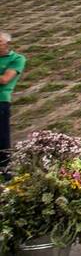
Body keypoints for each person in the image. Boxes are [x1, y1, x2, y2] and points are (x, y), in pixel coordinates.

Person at [0, 32, 27, 173]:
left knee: (2, 137)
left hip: (1, 100)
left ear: (6, 43)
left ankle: (5, 170)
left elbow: (5, 79)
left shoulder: (17, 59)